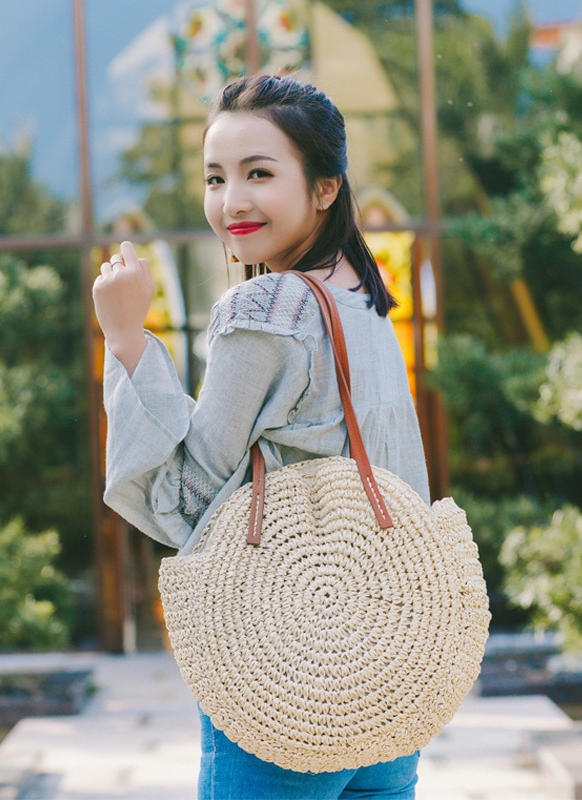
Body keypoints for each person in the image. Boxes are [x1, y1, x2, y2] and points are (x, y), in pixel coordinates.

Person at [92, 73, 430, 800]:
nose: (231, 201)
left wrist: (127, 341)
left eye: (259, 173)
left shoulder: (266, 305)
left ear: (325, 188)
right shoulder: (364, 301)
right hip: (387, 676)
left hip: (289, 678)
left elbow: (185, 505)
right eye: (216, 177)